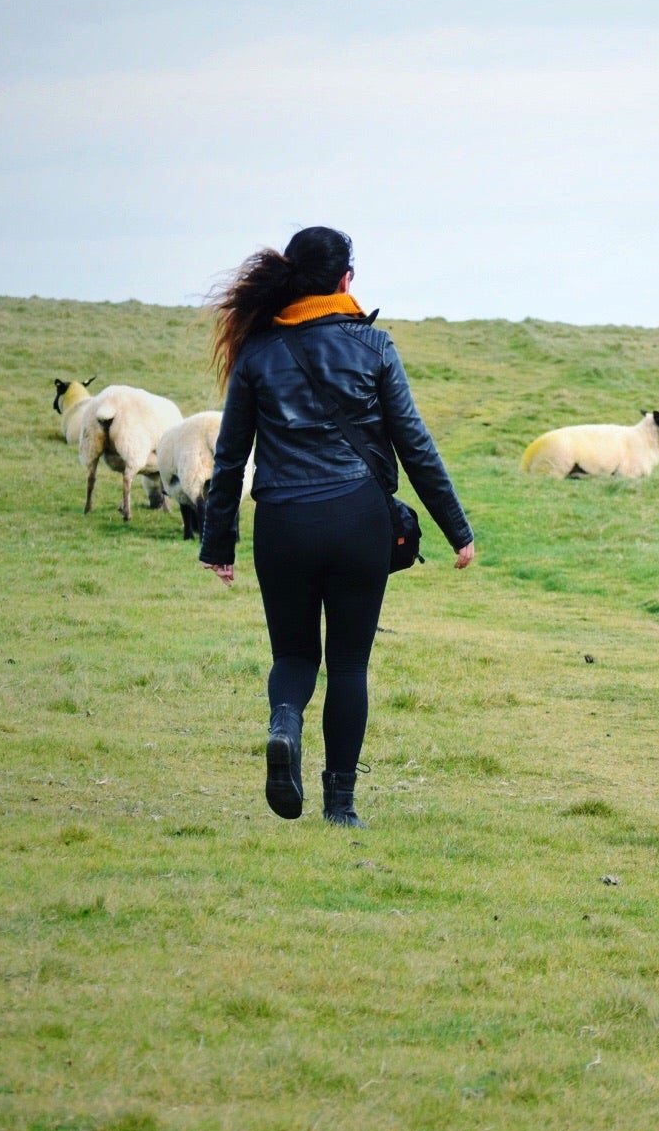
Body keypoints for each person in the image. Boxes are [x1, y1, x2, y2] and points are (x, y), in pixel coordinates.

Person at [198, 226, 476, 828]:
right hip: (357, 518)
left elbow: (229, 457)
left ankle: (284, 723)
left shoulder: (256, 353)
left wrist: (218, 542)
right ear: (346, 281)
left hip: (282, 523)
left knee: (294, 654)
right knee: (349, 664)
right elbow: (415, 445)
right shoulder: (374, 347)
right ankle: (341, 808)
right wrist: (457, 529)